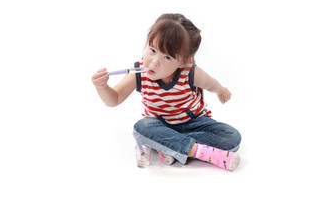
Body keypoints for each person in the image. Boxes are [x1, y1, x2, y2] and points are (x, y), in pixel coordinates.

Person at [92, 13, 241, 171]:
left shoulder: (190, 73)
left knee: (232, 137)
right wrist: (102, 87)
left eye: (167, 57)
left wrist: (221, 91)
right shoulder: (139, 73)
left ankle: (170, 147)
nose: (155, 62)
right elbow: (114, 99)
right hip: (159, 125)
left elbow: (211, 84)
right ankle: (195, 151)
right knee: (141, 127)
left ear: (184, 61)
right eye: (152, 50)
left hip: (194, 123)